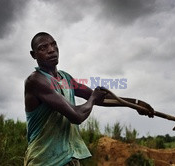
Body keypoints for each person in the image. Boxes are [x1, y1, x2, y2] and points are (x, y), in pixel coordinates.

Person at [24, 32, 154, 166]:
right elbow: (76, 116)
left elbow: (100, 98)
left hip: (68, 159)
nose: (51, 50)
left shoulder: (65, 78)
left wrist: (135, 104)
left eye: (53, 44)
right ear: (34, 55)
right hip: (44, 161)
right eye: (43, 48)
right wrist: (92, 99)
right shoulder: (36, 81)